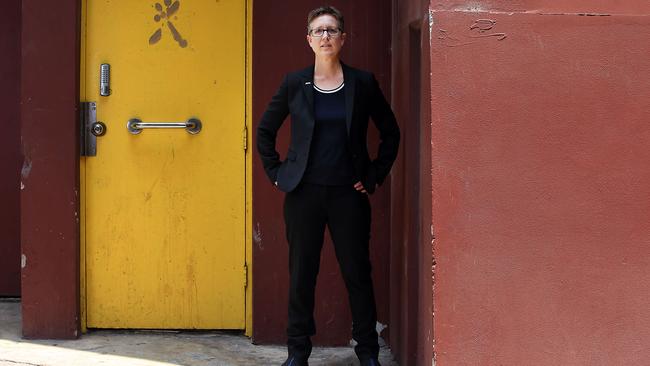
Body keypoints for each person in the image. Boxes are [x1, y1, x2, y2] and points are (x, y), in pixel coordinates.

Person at [256, 5, 400, 366]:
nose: (325, 36)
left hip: (347, 197)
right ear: (308, 39)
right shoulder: (295, 83)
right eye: (318, 31)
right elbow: (265, 132)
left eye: (332, 30)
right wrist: (277, 173)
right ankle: (297, 353)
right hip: (303, 194)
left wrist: (373, 176)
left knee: (357, 274)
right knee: (302, 275)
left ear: (343, 38)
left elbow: (391, 132)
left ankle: (368, 353)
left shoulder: (362, 83)